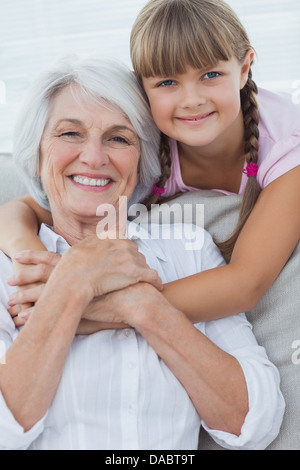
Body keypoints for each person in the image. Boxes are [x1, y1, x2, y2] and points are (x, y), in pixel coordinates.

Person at [0, 55, 284, 450]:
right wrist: (74, 278)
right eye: (70, 134)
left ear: (142, 159)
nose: (95, 157)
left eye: (119, 138)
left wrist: (142, 305)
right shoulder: (10, 269)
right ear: (37, 151)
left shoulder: (189, 250)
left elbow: (255, 421)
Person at [0, 0, 299, 325]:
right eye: (168, 82)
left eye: (211, 74)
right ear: (141, 87)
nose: (192, 99)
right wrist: (37, 267)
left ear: (243, 69)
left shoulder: (288, 146)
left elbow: (246, 284)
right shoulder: (135, 145)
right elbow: (21, 210)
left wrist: (73, 305)